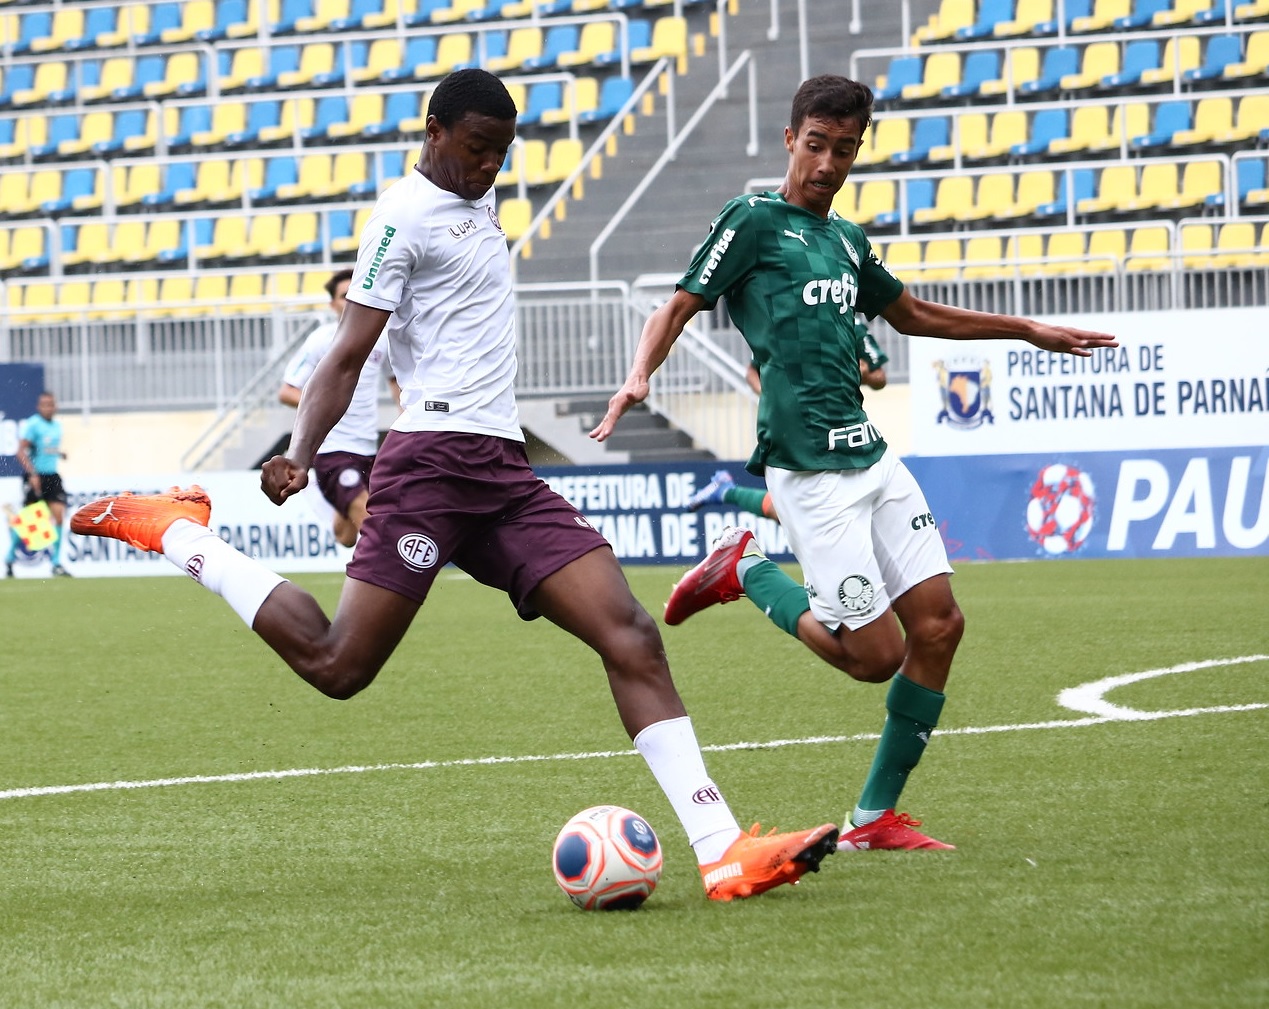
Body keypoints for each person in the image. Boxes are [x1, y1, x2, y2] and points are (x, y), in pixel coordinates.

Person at [70, 68, 837, 902]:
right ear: (432, 131)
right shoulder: (400, 217)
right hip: (429, 465)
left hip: (501, 471)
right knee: (338, 665)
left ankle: (722, 848)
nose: (489, 168)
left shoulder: (476, 200)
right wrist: (301, 450)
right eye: (475, 150)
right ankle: (178, 530)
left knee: (630, 634)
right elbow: (347, 353)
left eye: (501, 154)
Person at [590, 74, 1119, 851]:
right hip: (807, 472)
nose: (828, 164)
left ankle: (872, 819)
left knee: (939, 625)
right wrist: (641, 373)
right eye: (815, 145)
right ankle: (749, 570)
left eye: (845, 149)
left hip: (868, 456)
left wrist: (1023, 329)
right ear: (789, 139)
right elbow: (677, 305)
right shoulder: (753, 222)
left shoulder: (846, 240)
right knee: (875, 658)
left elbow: (911, 314)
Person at [689, 313, 889, 520]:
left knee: (806, 511)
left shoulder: (851, 326)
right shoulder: (787, 324)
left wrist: (859, 372)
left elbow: (879, 377)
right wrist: (774, 399)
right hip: (797, 428)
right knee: (803, 509)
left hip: (842, 425)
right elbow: (752, 372)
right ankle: (727, 491)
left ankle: (727, 491)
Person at [278, 268, 399, 547]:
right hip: (333, 449)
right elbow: (287, 391)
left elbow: (395, 381)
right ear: (332, 304)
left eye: (353, 295)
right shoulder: (321, 340)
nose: (348, 302)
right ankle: (389, 582)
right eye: (343, 296)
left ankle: (341, 514)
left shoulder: (379, 338)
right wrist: (327, 406)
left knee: (346, 536)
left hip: (369, 447)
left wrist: (406, 417)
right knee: (371, 517)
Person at [6, 391, 70, 577]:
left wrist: (60, 454)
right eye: (44, 404)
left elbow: (46, 449)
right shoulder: (34, 425)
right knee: (29, 520)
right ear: (38, 407)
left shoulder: (57, 426)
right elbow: (20, 451)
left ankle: (56, 563)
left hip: (52, 477)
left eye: (51, 404)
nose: (48, 408)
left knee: (58, 516)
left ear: (55, 406)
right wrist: (32, 473)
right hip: (35, 477)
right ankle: (9, 557)